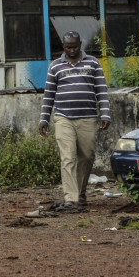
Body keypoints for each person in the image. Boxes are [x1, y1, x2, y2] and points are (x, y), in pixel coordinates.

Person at [39, 31, 111, 207]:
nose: (71, 50)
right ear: (63, 47)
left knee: (86, 157)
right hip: (63, 118)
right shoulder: (55, 66)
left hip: (87, 118)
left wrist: (105, 113)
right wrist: (44, 119)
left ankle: (80, 193)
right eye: (68, 47)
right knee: (68, 158)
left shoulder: (93, 63)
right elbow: (49, 95)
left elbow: (101, 90)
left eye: (75, 46)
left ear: (81, 44)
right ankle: (70, 199)